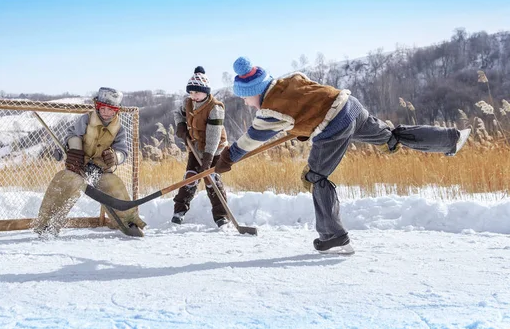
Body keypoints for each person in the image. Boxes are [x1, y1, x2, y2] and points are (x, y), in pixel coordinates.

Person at [214, 57, 471, 253]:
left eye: (246, 99)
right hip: (351, 106)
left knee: (315, 177)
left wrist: (228, 157)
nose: (247, 104)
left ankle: (333, 237)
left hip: (333, 124)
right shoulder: (290, 80)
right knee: (391, 137)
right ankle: (450, 139)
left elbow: (250, 139)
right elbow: (311, 99)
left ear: (254, 93)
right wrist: (303, 127)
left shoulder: (270, 111)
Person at [33, 87, 146, 238]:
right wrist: (75, 151)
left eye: (110, 109)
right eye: (102, 108)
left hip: (101, 171)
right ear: (97, 107)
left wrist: (115, 157)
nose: (105, 112)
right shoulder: (86, 119)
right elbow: (72, 135)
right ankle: (48, 224)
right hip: (78, 168)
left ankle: (128, 223)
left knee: (114, 185)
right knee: (65, 181)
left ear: (116, 111)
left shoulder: (119, 129)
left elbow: (123, 151)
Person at [172, 66, 230, 227]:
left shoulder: (215, 108)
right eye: (191, 93)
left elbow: (213, 135)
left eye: (196, 92)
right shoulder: (188, 103)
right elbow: (177, 113)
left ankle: (221, 215)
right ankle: (179, 211)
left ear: (205, 91)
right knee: (190, 177)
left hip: (215, 149)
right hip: (196, 147)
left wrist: (208, 157)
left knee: (211, 179)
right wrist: (181, 126)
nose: (193, 96)